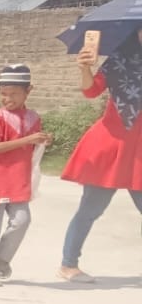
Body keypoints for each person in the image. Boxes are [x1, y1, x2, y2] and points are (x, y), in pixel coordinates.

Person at [57, 27, 142, 283]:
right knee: (90, 209)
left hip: (138, 152)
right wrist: (84, 69)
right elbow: (91, 91)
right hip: (110, 146)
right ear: (136, 33)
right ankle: (68, 264)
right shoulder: (119, 60)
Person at [0, 65, 47, 287]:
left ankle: (1, 258)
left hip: (19, 180)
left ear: (29, 91)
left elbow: (32, 147)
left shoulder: (34, 117)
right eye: (4, 94)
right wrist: (27, 140)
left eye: (14, 93)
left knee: (22, 221)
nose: (8, 99)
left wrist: (42, 140)